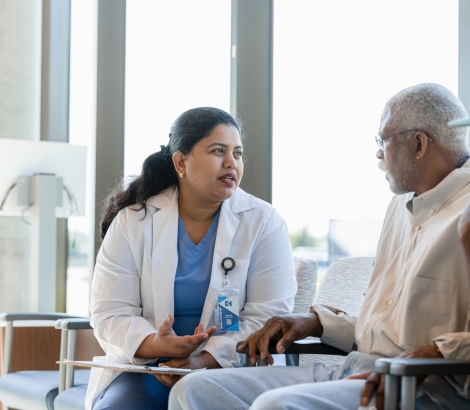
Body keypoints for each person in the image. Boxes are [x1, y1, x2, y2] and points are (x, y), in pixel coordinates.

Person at [169, 83, 470, 410]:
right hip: (354, 368)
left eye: (383, 140)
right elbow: (382, 328)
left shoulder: (464, 212)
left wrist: (433, 352)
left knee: (274, 405)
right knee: (194, 390)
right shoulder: (400, 209)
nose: (379, 153)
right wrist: (315, 322)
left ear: (418, 143)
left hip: (421, 386)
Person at [85, 107, 297, 410]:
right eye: (218, 151)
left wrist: (205, 359)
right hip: (152, 369)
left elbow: (268, 315)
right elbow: (110, 312)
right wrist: (156, 345)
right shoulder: (135, 221)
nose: (231, 163)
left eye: (237, 154)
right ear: (181, 162)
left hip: (229, 371)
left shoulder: (263, 221)